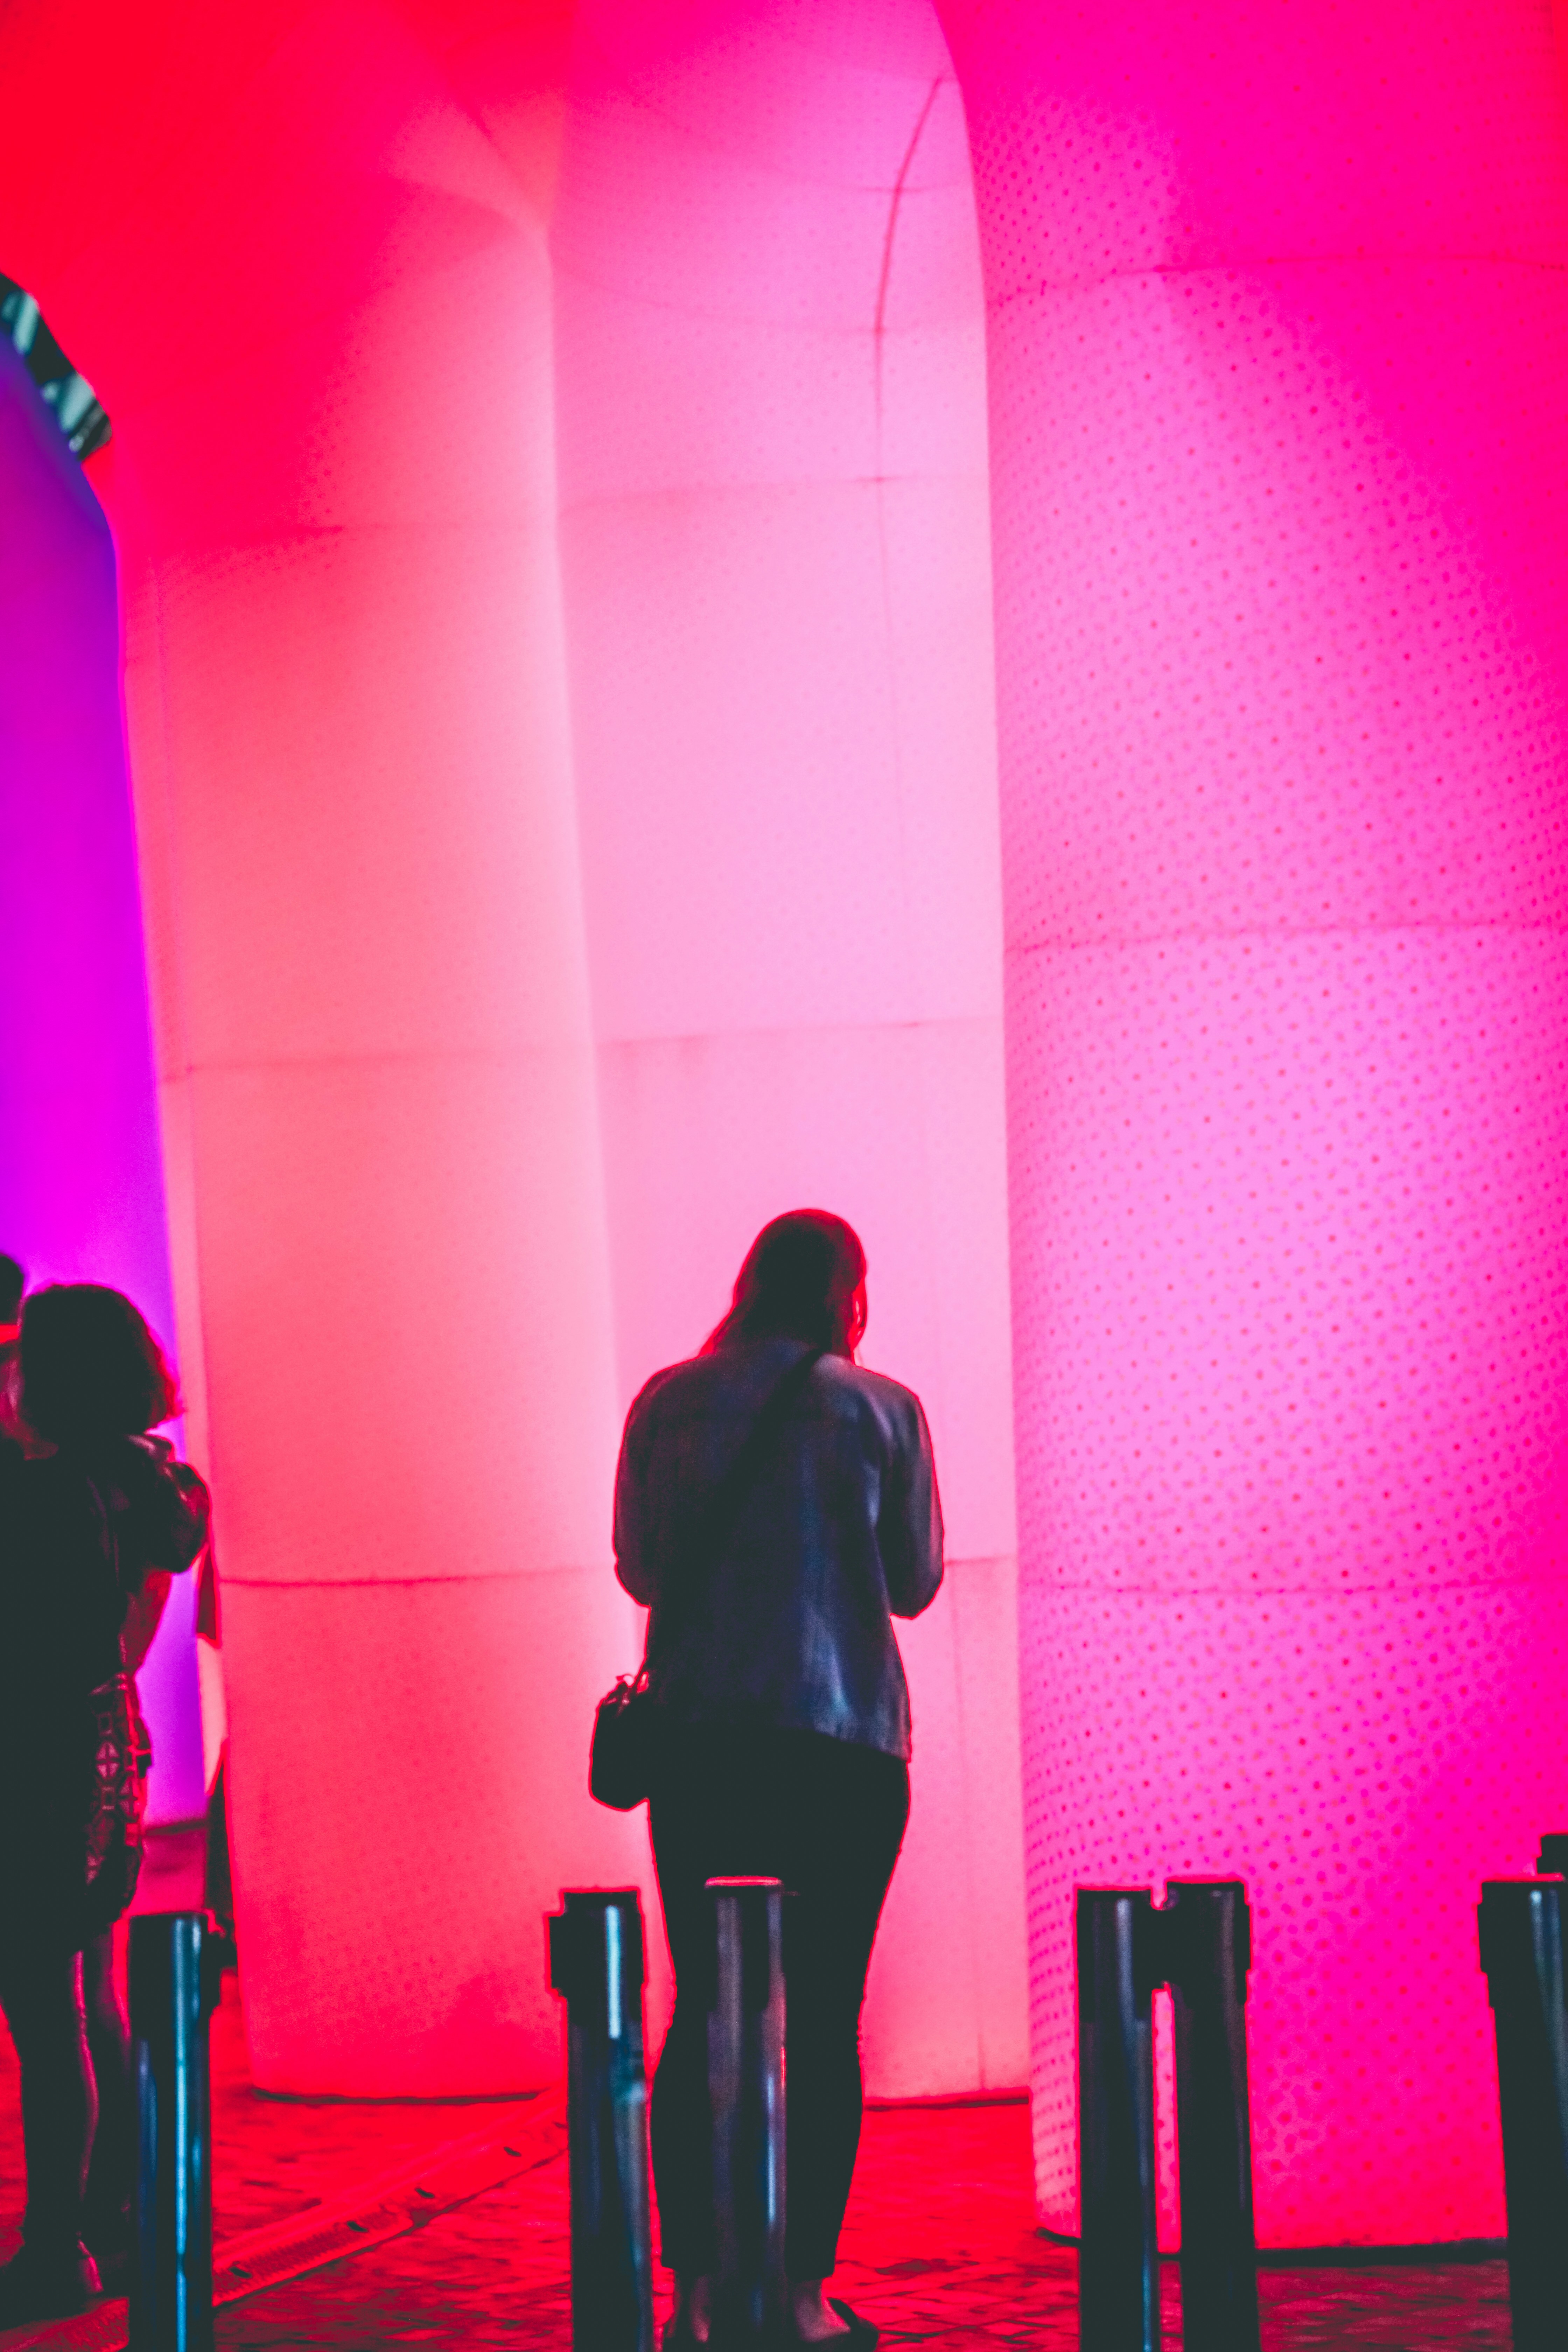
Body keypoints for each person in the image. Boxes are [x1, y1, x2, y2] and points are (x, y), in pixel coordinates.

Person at [614, 1211, 943, 2350]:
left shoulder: (667, 1399)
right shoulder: (881, 1407)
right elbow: (913, 1583)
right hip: (845, 1742)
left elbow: (643, 1566)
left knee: (702, 2007)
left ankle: (699, 2296)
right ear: (848, 1291)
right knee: (826, 2016)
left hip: (701, 1741)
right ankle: (801, 2296)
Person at [0, 1284, 210, 2324]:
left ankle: (55, 2244)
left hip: (37, 1750)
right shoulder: (158, 1481)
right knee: (90, 1994)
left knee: (46, 2010)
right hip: (110, 1742)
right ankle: (109, 2218)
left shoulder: (46, 1495)